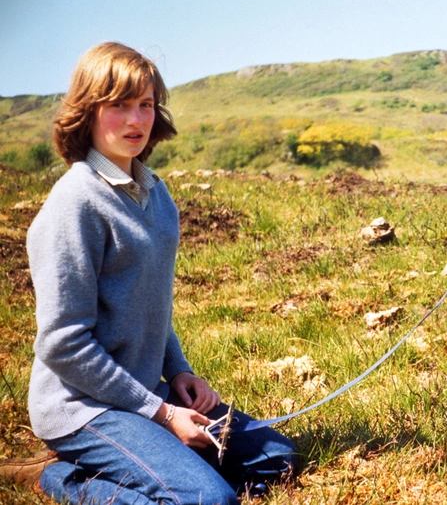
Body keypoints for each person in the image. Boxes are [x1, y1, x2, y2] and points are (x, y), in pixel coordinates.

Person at [0, 42, 297, 503]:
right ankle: (58, 478)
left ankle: (158, 462)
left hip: (142, 392)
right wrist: (162, 414)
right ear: (87, 112)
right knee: (206, 500)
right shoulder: (73, 205)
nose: (136, 120)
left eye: (146, 105)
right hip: (83, 407)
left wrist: (179, 372)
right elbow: (62, 344)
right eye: (118, 106)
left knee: (276, 458)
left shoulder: (156, 195)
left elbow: (147, 302)